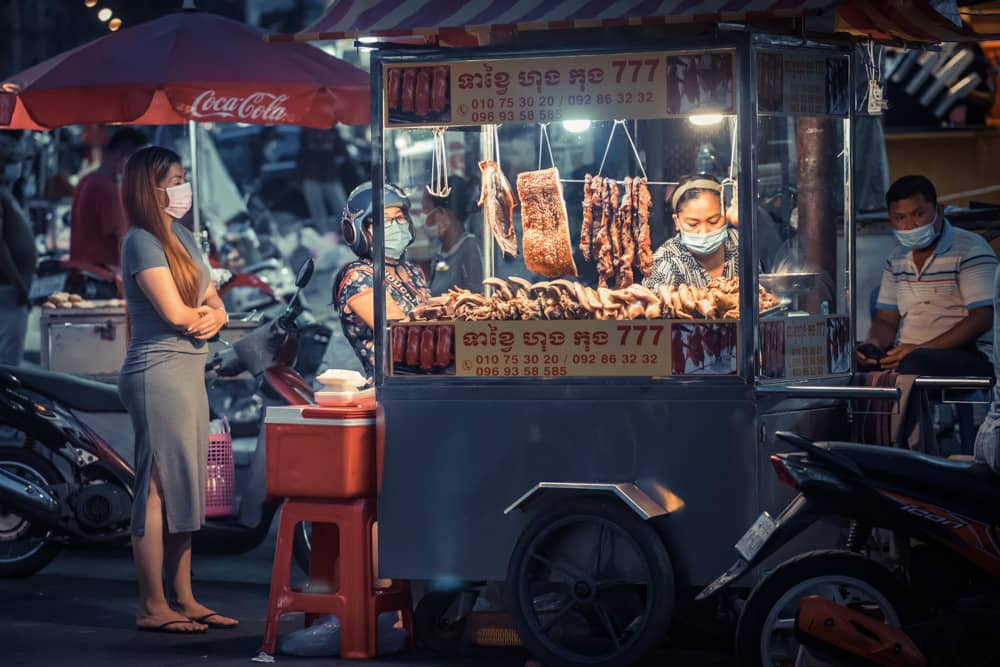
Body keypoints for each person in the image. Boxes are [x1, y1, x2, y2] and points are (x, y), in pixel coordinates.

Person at [117, 146, 237, 633]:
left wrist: (212, 315)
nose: (184, 187)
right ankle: (152, 606)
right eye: (175, 179)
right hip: (157, 372)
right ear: (152, 188)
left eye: (184, 177)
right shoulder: (141, 241)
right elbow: (175, 313)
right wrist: (205, 316)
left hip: (189, 371)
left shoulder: (183, 237)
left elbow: (215, 304)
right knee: (155, 488)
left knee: (186, 487)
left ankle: (184, 598)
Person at [858, 175, 997, 377]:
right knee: (850, 361)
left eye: (918, 214)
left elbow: (982, 318)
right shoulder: (896, 258)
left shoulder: (971, 249)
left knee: (915, 363)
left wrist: (921, 348)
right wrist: (872, 345)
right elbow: (886, 321)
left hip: (967, 354)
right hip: (908, 354)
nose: (909, 225)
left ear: (939, 212)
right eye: (900, 218)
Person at [333, 182, 430, 384]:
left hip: (431, 375)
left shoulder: (413, 271)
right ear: (359, 230)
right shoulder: (358, 277)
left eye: (400, 217)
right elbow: (398, 332)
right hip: (393, 389)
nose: (396, 225)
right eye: (385, 220)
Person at [643, 174, 739, 291]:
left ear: (726, 214)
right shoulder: (665, 262)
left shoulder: (738, 242)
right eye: (693, 224)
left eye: (714, 221)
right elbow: (650, 305)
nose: (704, 232)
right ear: (676, 221)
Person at [70, 128, 148, 269]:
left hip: (83, 272)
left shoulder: (86, 180)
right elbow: (124, 240)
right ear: (121, 156)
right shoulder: (108, 188)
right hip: (105, 277)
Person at [0, 132, 36, 367]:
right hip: (7, 292)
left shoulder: (8, 194)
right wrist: (18, 285)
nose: (18, 167)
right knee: (7, 363)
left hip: (12, 291)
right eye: (12, 161)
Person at [423, 176, 483, 295]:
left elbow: (477, 295)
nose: (423, 219)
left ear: (441, 213)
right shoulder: (439, 252)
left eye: (425, 211)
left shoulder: (469, 247)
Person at [298, 127, 349, 234]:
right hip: (312, 175)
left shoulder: (332, 129)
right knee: (318, 213)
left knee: (341, 208)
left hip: (329, 175)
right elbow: (302, 153)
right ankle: (325, 237)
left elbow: (342, 151)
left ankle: (348, 233)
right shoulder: (307, 130)